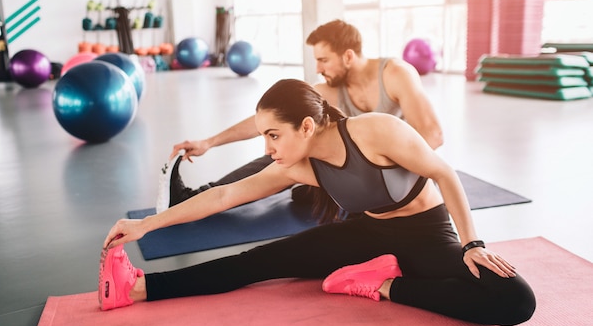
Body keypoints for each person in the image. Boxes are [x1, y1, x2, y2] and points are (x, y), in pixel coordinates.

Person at [101, 79, 535, 326]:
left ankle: (382, 284)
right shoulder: (295, 165)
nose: (268, 147)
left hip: (429, 234)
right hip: (369, 232)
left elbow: (444, 173)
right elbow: (225, 196)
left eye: (273, 135)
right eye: (264, 137)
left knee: (515, 301)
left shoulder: (376, 132)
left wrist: (472, 243)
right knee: (258, 261)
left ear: (306, 125)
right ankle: (140, 288)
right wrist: (147, 226)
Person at [156, 20, 443, 212]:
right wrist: (210, 142)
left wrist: (382, 179)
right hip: (349, 165)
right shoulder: (332, 87)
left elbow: (432, 135)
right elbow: (273, 118)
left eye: (323, 59)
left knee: (301, 183)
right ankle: (194, 197)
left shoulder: (395, 74)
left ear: (347, 56)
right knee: (284, 150)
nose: (318, 68)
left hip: (386, 175)